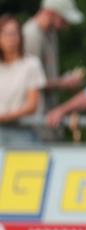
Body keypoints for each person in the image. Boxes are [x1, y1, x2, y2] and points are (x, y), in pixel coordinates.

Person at [23, 0, 85, 111]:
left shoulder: (51, 34)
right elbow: (32, 81)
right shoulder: (31, 35)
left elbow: (44, 77)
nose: (67, 25)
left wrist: (63, 81)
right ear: (51, 13)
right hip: (34, 112)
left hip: (46, 110)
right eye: (63, 19)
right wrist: (63, 83)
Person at [0, 15, 46, 145]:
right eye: (6, 33)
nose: (10, 38)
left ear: (20, 37)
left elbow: (32, 105)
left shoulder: (31, 64)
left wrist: (5, 117)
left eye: (14, 33)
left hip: (22, 132)